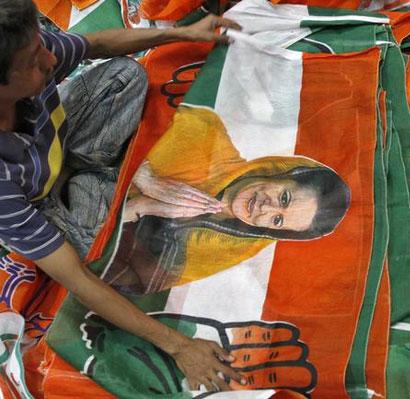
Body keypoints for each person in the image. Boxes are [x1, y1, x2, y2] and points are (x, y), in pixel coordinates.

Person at [0, 0, 246, 392]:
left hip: (58, 148)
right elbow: (74, 277)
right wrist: (178, 346)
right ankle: (90, 186)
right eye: (32, 60)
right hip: (37, 200)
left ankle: (87, 174)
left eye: (42, 46)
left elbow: (96, 44)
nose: (49, 58)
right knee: (104, 252)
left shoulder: (31, 56)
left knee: (124, 75)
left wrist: (183, 33)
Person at [102, 106, 351, 294]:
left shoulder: (227, 249)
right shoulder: (204, 134)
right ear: (280, 173)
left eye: (277, 220)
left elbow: (130, 280)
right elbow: (113, 115)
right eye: (283, 197)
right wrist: (145, 177)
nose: (267, 208)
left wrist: (140, 208)